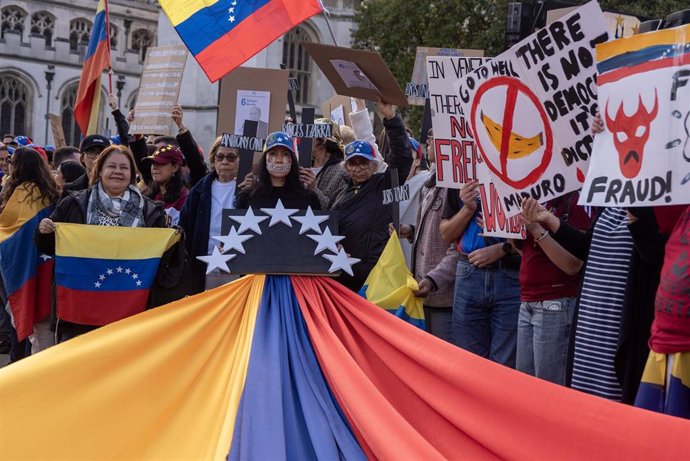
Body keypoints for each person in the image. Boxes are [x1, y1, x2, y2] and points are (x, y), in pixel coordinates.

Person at [35, 145, 167, 341]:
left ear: (132, 173)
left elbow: (161, 260)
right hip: (81, 310)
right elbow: (48, 246)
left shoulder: (151, 211)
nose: (117, 172)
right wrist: (43, 231)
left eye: (124, 167)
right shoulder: (74, 203)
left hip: (130, 309)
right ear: (100, 170)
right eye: (111, 166)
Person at [329, 101, 413, 291]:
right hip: (342, 277)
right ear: (346, 167)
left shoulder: (384, 185)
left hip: (374, 279)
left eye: (363, 163)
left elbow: (402, 156)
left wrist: (391, 119)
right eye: (352, 164)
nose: (357, 168)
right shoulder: (340, 195)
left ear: (374, 165)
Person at [440, 179, 521, 368]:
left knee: (505, 367)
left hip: (510, 274)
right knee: (468, 364)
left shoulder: (521, 166)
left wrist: (504, 248)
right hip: (469, 273)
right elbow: (446, 234)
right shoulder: (461, 175)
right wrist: (468, 209)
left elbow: (536, 228)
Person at [517, 194, 593, 385]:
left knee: (548, 389)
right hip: (527, 301)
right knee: (525, 388)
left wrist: (537, 229)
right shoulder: (532, 198)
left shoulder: (575, 201)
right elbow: (527, 253)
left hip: (556, 303)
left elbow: (573, 265)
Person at [0, 147, 60, 356]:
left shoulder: (21, 194)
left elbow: (7, 234)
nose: (8, 164)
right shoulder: (49, 192)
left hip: (27, 269)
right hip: (47, 269)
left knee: (39, 332)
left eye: (11, 161)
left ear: (18, 167)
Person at [399, 133, 457, 342]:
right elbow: (434, 234)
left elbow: (458, 247)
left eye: (434, 136)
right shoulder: (431, 185)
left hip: (444, 298)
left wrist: (434, 279)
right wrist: (412, 231)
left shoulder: (457, 186)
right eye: (430, 136)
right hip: (424, 295)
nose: (429, 141)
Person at [180, 137, 243, 292]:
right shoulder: (199, 190)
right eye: (220, 156)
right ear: (213, 160)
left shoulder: (248, 189)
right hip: (203, 266)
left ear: (241, 160)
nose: (225, 162)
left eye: (231, 157)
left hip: (238, 267)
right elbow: (185, 225)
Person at [237, 131, 320, 210]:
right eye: (273, 153)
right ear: (265, 159)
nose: (279, 160)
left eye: (285, 154)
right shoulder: (247, 197)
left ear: (292, 160)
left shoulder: (308, 198)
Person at [142, 145, 189, 220]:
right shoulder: (147, 195)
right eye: (153, 163)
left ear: (175, 167)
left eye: (161, 163)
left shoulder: (184, 199)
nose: (154, 167)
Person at [310, 118, 347, 208]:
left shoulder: (342, 171)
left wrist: (313, 189)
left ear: (322, 140)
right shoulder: (302, 166)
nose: (304, 140)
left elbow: (335, 209)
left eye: (310, 135)